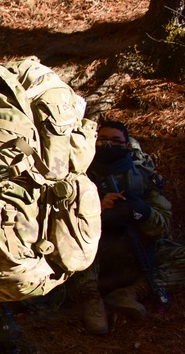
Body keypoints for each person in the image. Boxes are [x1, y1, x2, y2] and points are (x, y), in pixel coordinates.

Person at [74, 119, 175, 334]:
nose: (108, 145)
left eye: (116, 141)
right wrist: (98, 210)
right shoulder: (78, 174)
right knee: (80, 248)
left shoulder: (141, 177)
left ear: (127, 145)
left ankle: (130, 293)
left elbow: (163, 226)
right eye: (102, 140)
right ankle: (91, 300)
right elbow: (60, 223)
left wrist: (143, 212)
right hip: (95, 253)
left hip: (133, 250)